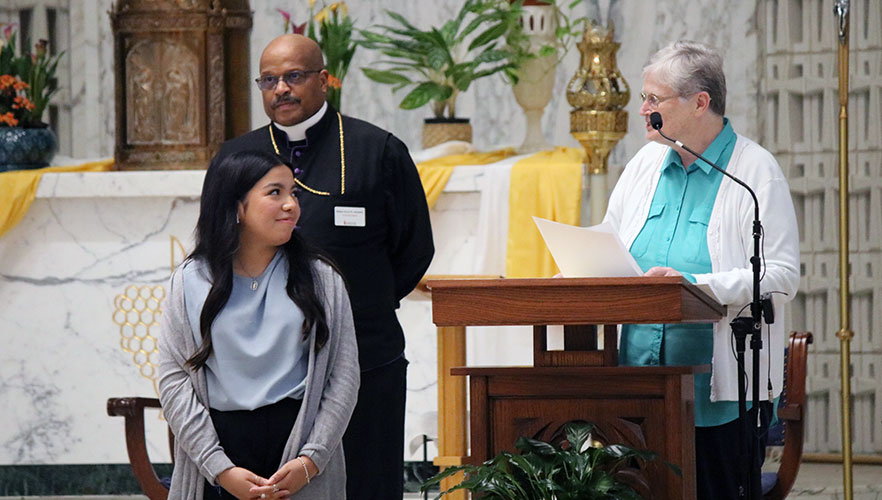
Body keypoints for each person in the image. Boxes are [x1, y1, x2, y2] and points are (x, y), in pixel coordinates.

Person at [211, 34, 435, 500]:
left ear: (324, 80)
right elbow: (216, 246)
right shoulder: (235, 158)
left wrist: (359, 306)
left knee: (368, 484)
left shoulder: (378, 150)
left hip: (367, 355)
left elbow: (414, 248)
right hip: (266, 368)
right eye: (269, 80)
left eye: (293, 77)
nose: (281, 90)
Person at [603, 41, 800, 499]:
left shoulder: (755, 171)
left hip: (719, 393)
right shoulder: (644, 165)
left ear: (699, 103)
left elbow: (783, 274)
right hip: (637, 385)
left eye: (654, 99)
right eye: (644, 98)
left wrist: (695, 286)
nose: (643, 109)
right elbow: (611, 238)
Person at [158, 151, 360, 500]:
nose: (291, 205)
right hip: (221, 452)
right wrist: (219, 468)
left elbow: (344, 377)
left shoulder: (322, 279)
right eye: (275, 192)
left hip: (299, 446)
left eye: (293, 193)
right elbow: (173, 379)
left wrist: (310, 461)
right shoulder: (190, 281)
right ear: (238, 207)